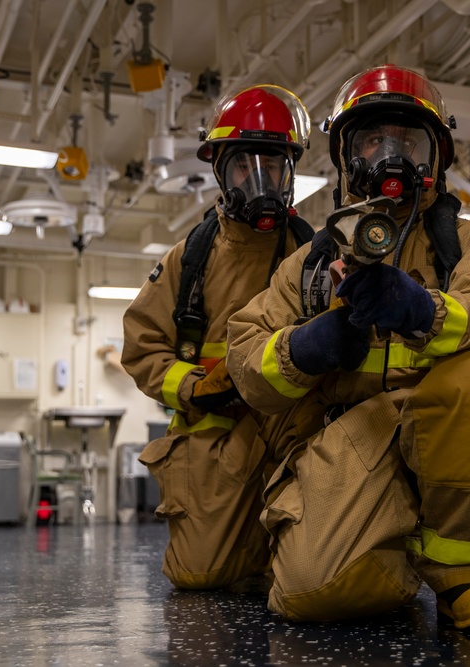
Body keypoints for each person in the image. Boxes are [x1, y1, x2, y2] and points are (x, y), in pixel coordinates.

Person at [226, 64, 470, 629]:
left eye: (408, 139)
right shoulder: (310, 265)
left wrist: (421, 309)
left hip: (449, 419)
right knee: (314, 594)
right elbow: (247, 363)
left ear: (436, 157)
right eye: (373, 139)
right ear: (348, 157)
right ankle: (394, 550)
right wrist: (311, 345)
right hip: (359, 433)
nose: (390, 153)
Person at [121, 85, 324, 590]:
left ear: (289, 171)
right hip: (217, 432)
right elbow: (142, 348)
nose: (260, 179)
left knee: (317, 574)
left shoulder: (314, 251)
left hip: (294, 429)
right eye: (243, 166)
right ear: (221, 170)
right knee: (200, 574)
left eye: (273, 165)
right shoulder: (188, 259)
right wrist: (192, 386)